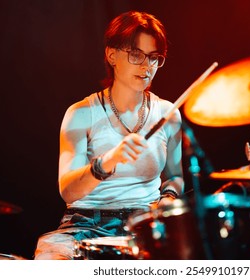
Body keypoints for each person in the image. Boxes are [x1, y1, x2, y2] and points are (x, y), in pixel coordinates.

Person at [34, 10, 184, 260]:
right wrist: (106, 162)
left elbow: (176, 176)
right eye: (136, 55)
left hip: (144, 223)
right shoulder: (81, 114)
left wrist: (168, 197)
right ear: (111, 55)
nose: (147, 66)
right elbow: (68, 191)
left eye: (154, 58)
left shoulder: (168, 114)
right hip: (84, 223)